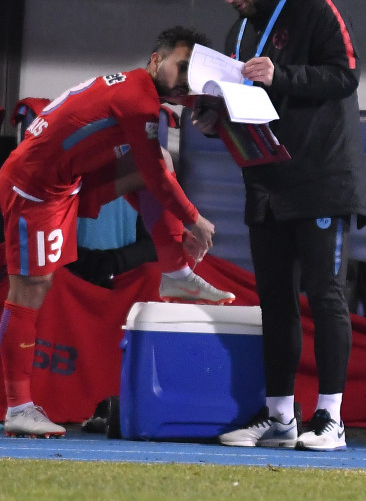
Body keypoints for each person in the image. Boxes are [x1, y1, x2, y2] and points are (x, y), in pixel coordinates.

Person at [0, 26, 227, 438]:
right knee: (30, 290)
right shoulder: (137, 100)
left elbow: (153, 174)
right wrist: (195, 219)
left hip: (68, 182)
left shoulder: (141, 89)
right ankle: (18, 407)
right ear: (156, 61)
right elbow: (157, 182)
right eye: (182, 67)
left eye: (193, 73)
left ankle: (175, 274)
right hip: (33, 188)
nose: (186, 80)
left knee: (157, 158)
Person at [206, 0, 366, 452]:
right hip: (266, 182)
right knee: (275, 303)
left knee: (326, 296)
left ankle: (331, 418)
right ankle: (280, 416)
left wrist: (284, 76)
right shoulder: (240, 30)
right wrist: (214, 114)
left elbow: (346, 74)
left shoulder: (312, 6)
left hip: (321, 178)